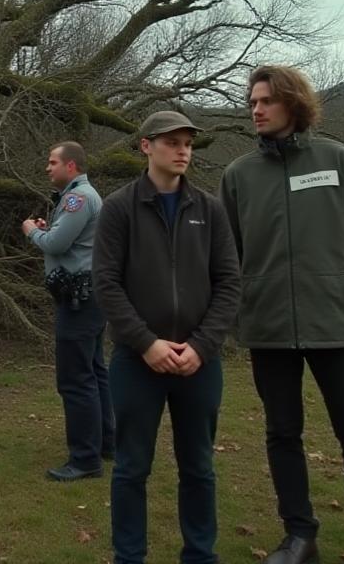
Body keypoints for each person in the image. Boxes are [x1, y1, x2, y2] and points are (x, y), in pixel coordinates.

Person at [218, 66, 344, 564]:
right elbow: (227, 258)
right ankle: (299, 538)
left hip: (336, 324)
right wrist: (228, 321)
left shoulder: (338, 160)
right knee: (282, 434)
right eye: (251, 102)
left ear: (293, 104)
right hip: (269, 326)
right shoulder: (238, 175)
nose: (255, 109)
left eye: (265, 101)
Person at [93, 111, 241, 564]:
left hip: (199, 364)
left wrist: (201, 345)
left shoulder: (210, 209)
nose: (183, 151)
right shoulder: (119, 207)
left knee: (198, 467)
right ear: (146, 146)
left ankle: (199, 554)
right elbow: (106, 284)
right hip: (137, 363)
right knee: (131, 468)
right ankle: (129, 556)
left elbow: (230, 283)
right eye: (172, 142)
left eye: (188, 144)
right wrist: (147, 343)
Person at [21, 141, 115, 481]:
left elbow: (57, 245)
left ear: (71, 166)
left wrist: (33, 232)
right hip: (89, 297)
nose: (47, 168)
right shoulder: (78, 197)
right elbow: (67, 240)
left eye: (52, 162)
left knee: (75, 380)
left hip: (79, 301)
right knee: (94, 371)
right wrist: (49, 231)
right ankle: (107, 443)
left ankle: (85, 459)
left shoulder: (78, 197)